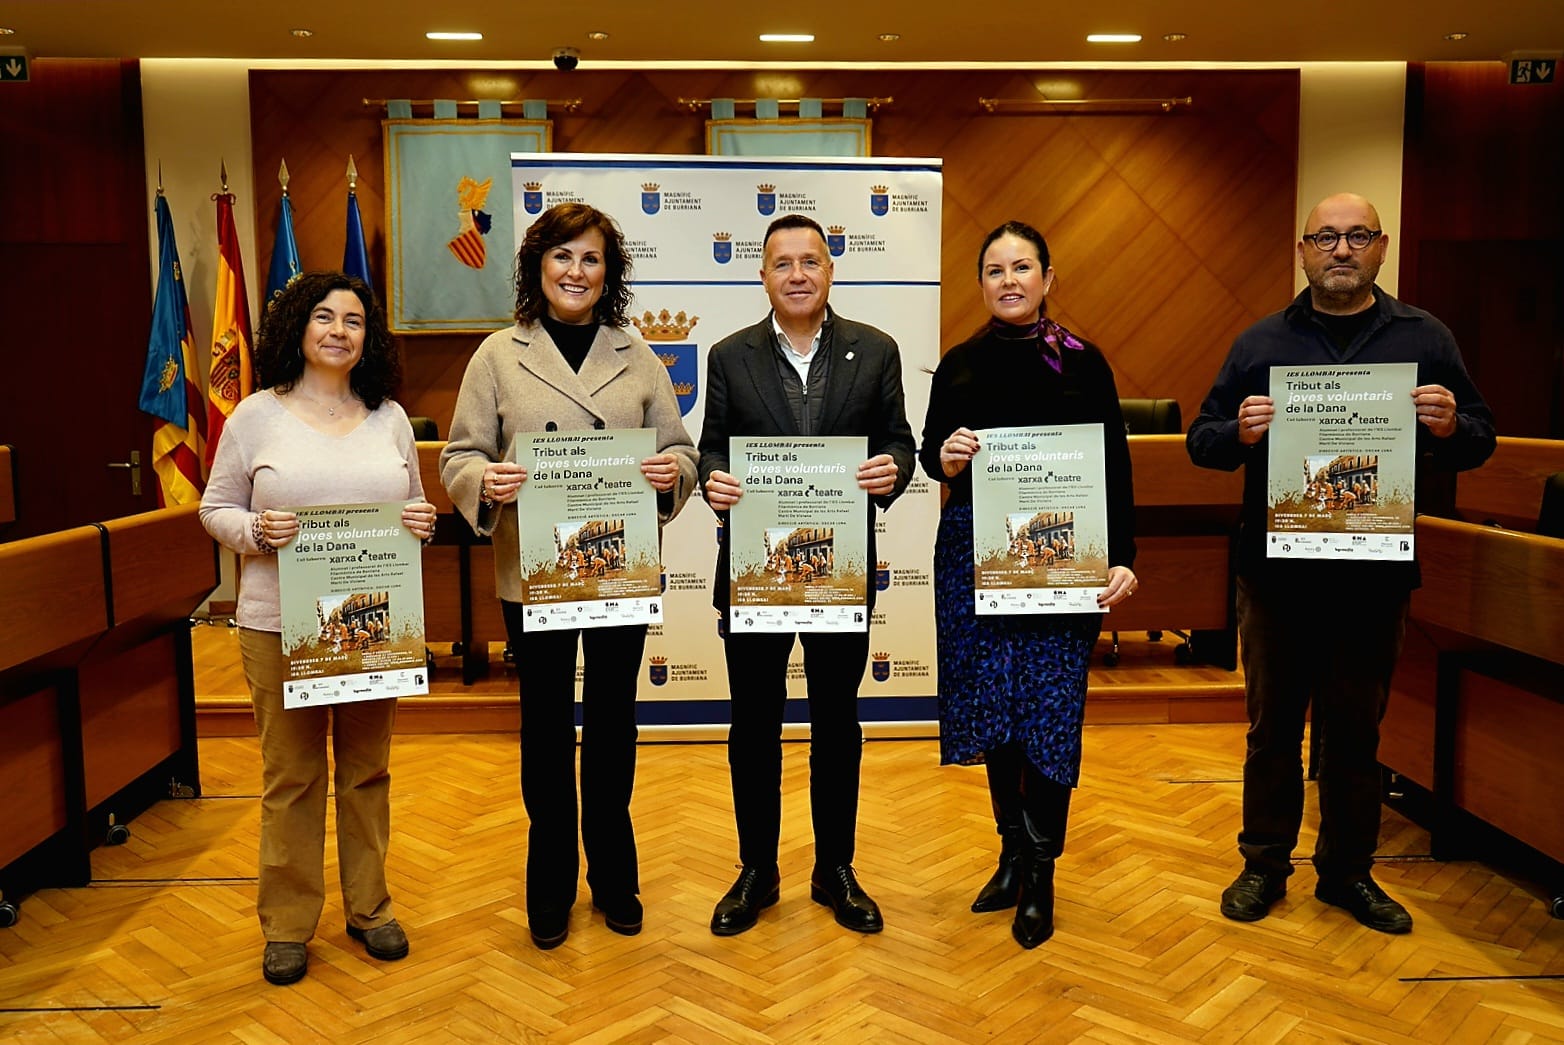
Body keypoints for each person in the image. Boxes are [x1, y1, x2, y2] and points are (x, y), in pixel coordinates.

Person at [1187, 193, 1495, 934]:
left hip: (1370, 577)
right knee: (1272, 729)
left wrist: (1453, 424)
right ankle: (1264, 863)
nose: (1341, 249)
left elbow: (1481, 436)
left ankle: (1347, 873)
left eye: (1357, 235)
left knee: (1356, 733)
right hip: (1277, 576)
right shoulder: (1260, 343)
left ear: (1381, 247)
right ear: (1303, 250)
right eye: (1326, 236)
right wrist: (1241, 430)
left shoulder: (1426, 338)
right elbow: (1202, 439)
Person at [440, 202, 697, 950]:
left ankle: (616, 876)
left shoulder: (638, 354)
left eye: (590, 259)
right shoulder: (495, 355)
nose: (576, 272)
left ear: (607, 272)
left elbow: (681, 452)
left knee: (614, 725)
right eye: (561, 257)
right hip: (536, 574)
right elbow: (459, 455)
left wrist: (664, 472)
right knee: (545, 730)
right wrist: (486, 481)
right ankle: (549, 878)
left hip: (618, 572)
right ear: (537, 268)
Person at [200, 271, 437, 986]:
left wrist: (421, 524)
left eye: (355, 320)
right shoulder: (253, 417)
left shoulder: (390, 416)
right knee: (292, 776)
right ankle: (288, 924)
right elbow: (214, 509)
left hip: (373, 625)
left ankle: (370, 908)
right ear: (298, 328)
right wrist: (256, 530)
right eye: (325, 317)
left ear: (369, 337)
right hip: (279, 625)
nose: (339, 330)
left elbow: (416, 506)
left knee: (368, 769)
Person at [921, 220, 1138, 949]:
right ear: (980, 282)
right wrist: (947, 457)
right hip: (973, 557)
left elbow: (1114, 467)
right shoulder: (958, 363)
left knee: (1048, 710)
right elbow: (930, 454)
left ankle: (1042, 871)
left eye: (1022, 267)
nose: (1008, 280)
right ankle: (1011, 851)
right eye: (994, 269)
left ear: (1049, 277)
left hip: (1063, 558)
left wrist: (1123, 555)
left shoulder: (1084, 361)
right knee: (995, 709)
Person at [698, 213, 916, 936]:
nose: (797, 273)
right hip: (756, 573)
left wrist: (890, 471)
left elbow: (899, 442)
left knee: (837, 722)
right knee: (753, 725)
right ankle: (757, 869)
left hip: (837, 571)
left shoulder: (876, 350)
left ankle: (836, 867)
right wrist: (714, 481)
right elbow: (711, 451)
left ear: (830, 270)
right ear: (762, 275)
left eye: (810, 261)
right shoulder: (729, 356)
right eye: (782, 263)